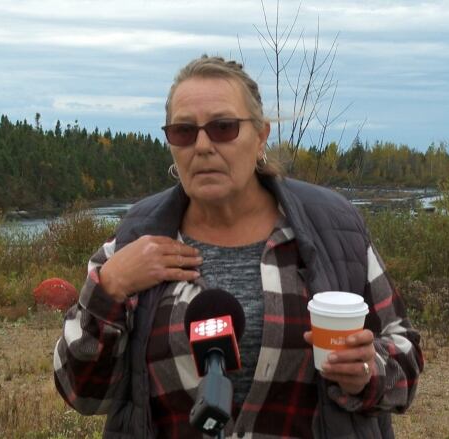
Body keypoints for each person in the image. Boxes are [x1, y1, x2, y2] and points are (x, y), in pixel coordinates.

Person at [53, 55, 423, 438]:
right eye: (183, 131)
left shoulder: (331, 230)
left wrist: (367, 371)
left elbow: (405, 358)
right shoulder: (137, 239)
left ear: (261, 135)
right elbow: (82, 394)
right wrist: (108, 288)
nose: (202, 146)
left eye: (223, 127)